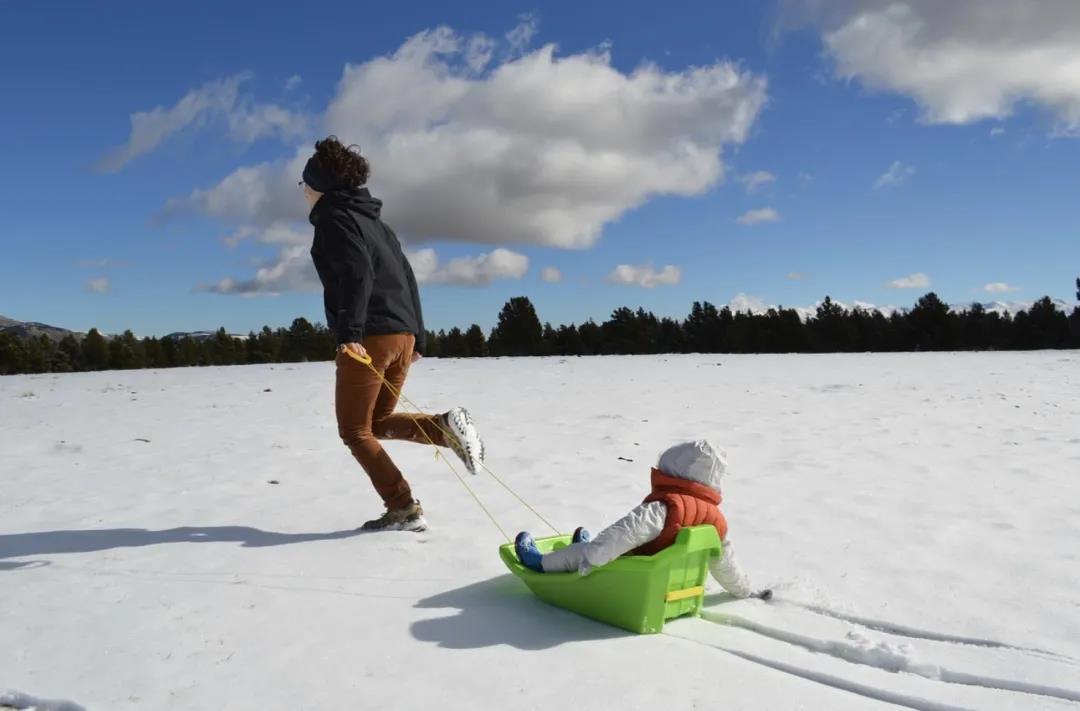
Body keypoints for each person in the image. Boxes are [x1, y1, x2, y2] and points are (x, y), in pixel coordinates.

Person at [303, 136, 484, 532]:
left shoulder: (335, 219)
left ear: (319, 186)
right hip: (401, 336)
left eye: (305, 184)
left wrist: (348, 332)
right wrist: (418, 336)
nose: (302, 193)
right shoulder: (376, 224)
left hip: (369, 337)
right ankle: (443, 427)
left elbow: (356, 274)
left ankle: (402, 507)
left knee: (354, 431)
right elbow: (407, 276)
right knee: (379, 422)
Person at [515, 440, 767, 599]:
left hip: (637, 576)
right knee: (603, 545)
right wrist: (743, 591)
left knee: (584, 551)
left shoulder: (667, 506)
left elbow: (625, 534)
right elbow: (725, 563)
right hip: (672, 587)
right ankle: (589, 547)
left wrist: (591, 556)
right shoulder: (716, 520)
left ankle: (540, 563)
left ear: (675, 472)